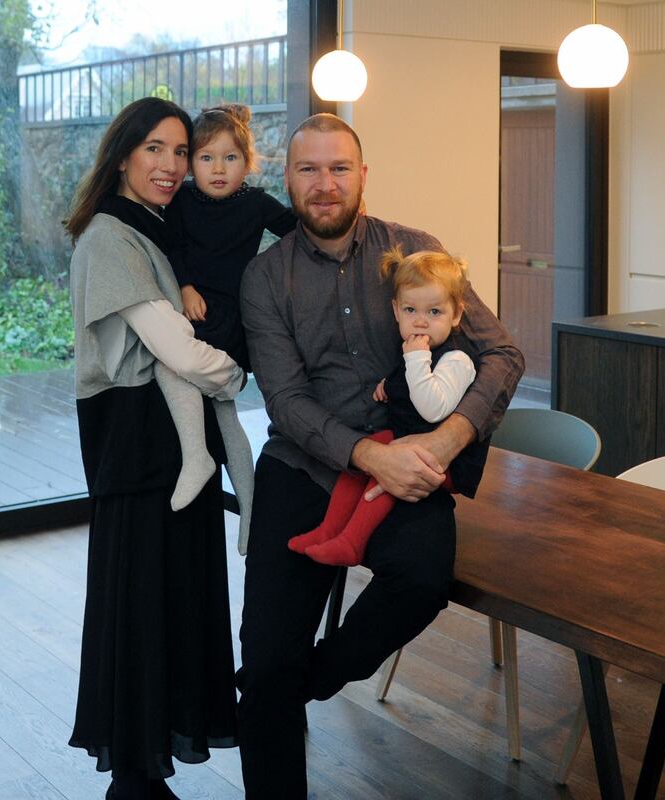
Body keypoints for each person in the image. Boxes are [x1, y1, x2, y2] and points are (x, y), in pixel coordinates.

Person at [238, 113, 525, 799]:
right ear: (289, 179)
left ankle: (310, 681)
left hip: (414, 465)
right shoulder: (265, 277)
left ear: (363, 176)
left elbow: (503, 353)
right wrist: (369, 456)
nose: (325, 184)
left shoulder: (417, 250)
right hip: (307, 466)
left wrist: (447, 437)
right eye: (309, 170)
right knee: (266, 654)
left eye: (339, 168)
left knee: (422, 582)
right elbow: (284, 400)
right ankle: (277, 690)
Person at [65, 97, 243, 800]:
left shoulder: (156, 228)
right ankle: (135, 781)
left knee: (173, 606)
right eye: (156, 151)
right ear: (123, 155)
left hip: (172, 449)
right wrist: (232, 372)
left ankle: (146, 774)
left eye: (180, 151)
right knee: (140, 611)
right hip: (139, 451)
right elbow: (172, 347)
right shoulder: (110, 235)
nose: (172, 166)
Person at [289, 246, 486, 567]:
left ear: (457, 314)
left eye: (435, 312)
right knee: (363, 457)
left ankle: (352, 542)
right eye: (411, 310)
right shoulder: (416, 349)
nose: (421, 322)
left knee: (392, 469)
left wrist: (416, 358)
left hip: (447, 462)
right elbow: (409, 378)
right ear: (396, 311)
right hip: (407, 439)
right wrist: (390, 384)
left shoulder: (457, 358)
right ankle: (329, 530)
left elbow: (432, 408)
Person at [159, 103, 297, 552]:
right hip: (194, 311)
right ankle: (212, 471)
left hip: (231, 322)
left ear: (247, 162)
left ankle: (245, 505)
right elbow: (172, 245)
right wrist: (183, 286)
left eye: (230, 158)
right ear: (191, 164)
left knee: (219, 410)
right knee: (208, 402)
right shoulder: (181, 201)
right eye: (206, 158)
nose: (218, 169)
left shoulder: (255, 203)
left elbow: (297, 231)